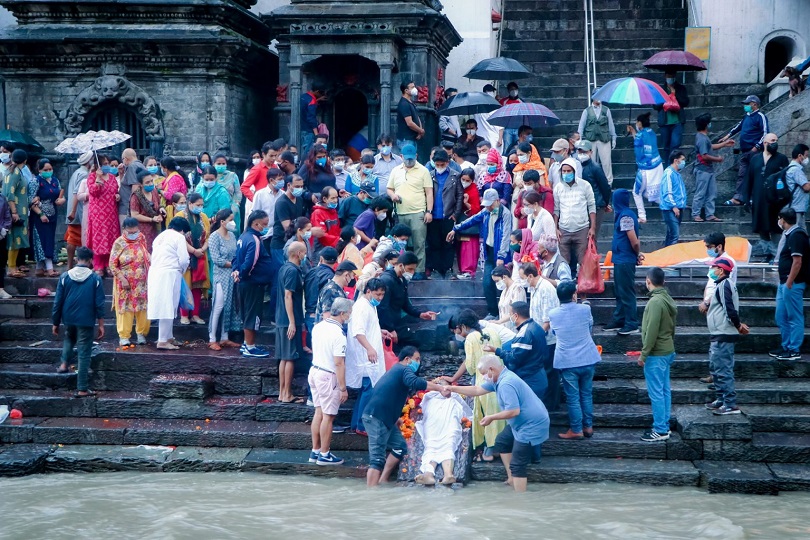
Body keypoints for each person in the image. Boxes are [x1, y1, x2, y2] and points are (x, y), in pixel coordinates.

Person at [447, 354, 550, 493]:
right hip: (521, 422)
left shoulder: (506, 383)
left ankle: (521, 500)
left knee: (518, 464)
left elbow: (514, 411)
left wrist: (491, 417)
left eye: (484, 374)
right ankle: (511, 478)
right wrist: (453, 389)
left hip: (531, 424)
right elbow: (477, 390)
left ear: (491, 369)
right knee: (502, 441)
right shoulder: (498, 377)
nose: (484, 377)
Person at [363, 346, 447, 487]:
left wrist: (396, 418)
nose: (418, 362)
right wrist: (439, 387)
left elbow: (387, 396)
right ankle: (371, 494)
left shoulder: (397, 372)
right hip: (376, 418)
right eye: (417, 359)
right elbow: (415, 382)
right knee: (377, 459)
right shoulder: (403, 369)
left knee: (399, 447)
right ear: (407, 359)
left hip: (386, 418)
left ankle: (383, 479)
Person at [443, 311, 506, 460]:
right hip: (500, 379)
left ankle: (489, 450)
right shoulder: (492, 331)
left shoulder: (470, 338)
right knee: (499, 414)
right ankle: (500, 448)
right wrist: (454, 377)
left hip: (483, 383)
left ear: (463, 326)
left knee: (486, 416)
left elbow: (471, 367)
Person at [447, 188, 513, 317]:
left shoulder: (505, 214)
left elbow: (506, 235)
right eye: (486, 205)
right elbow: (471, 220)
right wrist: (455, 228)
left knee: (505, 285)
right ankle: (493, 312)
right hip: (489, 252)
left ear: (497, 201)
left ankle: (508, 313)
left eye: (490, 204)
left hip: (501, 254)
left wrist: (501, 255)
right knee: (487, 283)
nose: (488, 207)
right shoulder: (485, 212)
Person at [549, 280, 601, 439]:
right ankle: (588, 427)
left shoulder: (553, 314)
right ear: (574, 295)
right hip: (587, 357)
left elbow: (555, 333)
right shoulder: (585, 309)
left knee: (573, 397)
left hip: (568, 361)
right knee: (586, 394)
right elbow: (590, 327)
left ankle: (576, 429)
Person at [52, 246, 105, 397]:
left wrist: (55, 322)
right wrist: (101, 324)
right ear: (90, 262)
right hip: (86, 319)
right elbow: (99, 303)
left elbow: (58, 302)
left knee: (69, 337)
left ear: (76, 259)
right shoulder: (95, 278)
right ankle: (82, 388)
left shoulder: (65, 277)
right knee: (84, 352)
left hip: (68, 317)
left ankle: (63, 364)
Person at [308, 297, 353, 466]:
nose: (350, 316)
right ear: (342, 314)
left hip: (314, 371)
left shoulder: (318, 327)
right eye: (349, 313)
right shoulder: (338, 335)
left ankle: (315, 450)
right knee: (328, 416)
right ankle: (325, 454)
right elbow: (339, 363)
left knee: (318, 412)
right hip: (328, 376)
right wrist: (343, 388)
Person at [704, 258, 750, 416]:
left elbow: (730, 309)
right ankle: (721, 398)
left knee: (723, 370)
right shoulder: (722, 285)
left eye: (713, 267)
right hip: (718, 333)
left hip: (724, 333)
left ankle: (730, 403)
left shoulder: (725, 285)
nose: (711, 270)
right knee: (716, 368)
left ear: (721, 270)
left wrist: (738, 325)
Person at [638, 267, 677, 441]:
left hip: (656, 353)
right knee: (664, 390)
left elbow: (651, 330)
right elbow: (672, 327)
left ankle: (660, 429)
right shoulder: (667, 299)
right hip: (667, 349)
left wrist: (644, 354)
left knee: (656, 392)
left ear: (648, 281)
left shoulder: (655, 302)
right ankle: (664, 425)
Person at [346, 278, 389, 435]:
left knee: (366, 390)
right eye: (377, 294)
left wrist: (380, 332)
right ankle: (361, 426)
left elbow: (368, 327)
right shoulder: (362, 307)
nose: (380, 298)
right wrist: (370, 348)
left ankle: (356, 424)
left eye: (382, 295)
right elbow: (358, 332)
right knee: (368, 390)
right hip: (364, 357)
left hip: (369, 356)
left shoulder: (370, 306)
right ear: (368, 291)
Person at [486, 299, 549, 399]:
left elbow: (513, 359)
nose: (509, 317)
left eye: (510, 314)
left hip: (530, 380)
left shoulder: (524, 333)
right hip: (538, 375)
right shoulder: (536, 327)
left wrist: (496, 350)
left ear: (515, 316)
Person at [387, 144, 433, 279]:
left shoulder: (423, 170)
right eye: (406, 158)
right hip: (400, 213)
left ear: (416, 156)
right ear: (401, 157)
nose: (409, 161)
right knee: (402, 244)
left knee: (419, 243)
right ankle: (402, 270)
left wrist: (428, 211)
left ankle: (419, 271)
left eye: (411, 158)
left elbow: (429, 192)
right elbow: (389, 188)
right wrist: (392, 196)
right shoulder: (395, 171)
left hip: (418, 212)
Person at [698, 232, 738, 384]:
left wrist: (707, 302)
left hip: (720, 307)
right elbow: (710, 283)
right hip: (712, 307)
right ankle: (714, 373)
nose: (707, 249)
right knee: (715, 343)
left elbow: (722, 287)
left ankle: (720, 378)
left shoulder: (728, 262)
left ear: (719, 246)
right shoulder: (714, 261)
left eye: (710, 247)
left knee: (721, 345)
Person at [234, 210, 273, 358]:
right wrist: (242, 274)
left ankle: (246, 343)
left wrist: (236, 271)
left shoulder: (243, 237)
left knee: (247, 313)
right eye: (264, 224)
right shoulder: (254, 240)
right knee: (253, 314)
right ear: (255, 223)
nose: (265, 227)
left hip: (245, 282)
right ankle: (250, 346)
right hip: (253, 283)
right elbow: (250, 262)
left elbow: (236, 259)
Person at [147, 217, 190, 350]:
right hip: (170, 273)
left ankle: (168, 337)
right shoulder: (179, 237)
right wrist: (182, 270)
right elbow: (183, 259)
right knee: (167, 306)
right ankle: (162, 340)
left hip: (155, 272)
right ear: (182, 230)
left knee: (166, 305)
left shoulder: (160, 236)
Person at [772, 208, 809, 361]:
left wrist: (789, 281)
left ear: (783, 219)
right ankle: (786, 345)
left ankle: (794, 349)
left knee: (794, 316)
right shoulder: (789, 235)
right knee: (781, 316)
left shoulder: (797, 235)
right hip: (784, 282)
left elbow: (797, 261)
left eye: (779, 219)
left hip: (792, 283)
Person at [377, 251, 438, 343]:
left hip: (397, 322)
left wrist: (420, 314)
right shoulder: (387, 280)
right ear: (401, 265)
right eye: (410, 269)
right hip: (387, 326)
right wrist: (390, 329)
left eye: (414, 270)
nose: (412, 273)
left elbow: (405, 303)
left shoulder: (402, 280)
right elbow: (382, 307)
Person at [720, 95, 769, 207]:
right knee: (742, 175)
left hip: (755, 152)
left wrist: (756, 146)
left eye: (748, 104)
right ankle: (738, 198)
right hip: (745, 151)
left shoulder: (760, 116)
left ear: (754, 104)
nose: (746, 106)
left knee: (756, 175)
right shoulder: (746, 116)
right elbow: (737, 127)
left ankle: (753, 198)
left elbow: (765, 133)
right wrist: (727, 136)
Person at [606, 189, 643, 335]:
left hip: (625, 259)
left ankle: (631, 323)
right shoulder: (623, 215)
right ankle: (619, 319)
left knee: (626, 292)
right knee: (620, 291)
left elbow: (634, 241)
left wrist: (637, 253)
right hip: (620, 258)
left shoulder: (625, 216)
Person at [110, 217, 150, 347]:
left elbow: (145, 255)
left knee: (142, 307)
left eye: (135, 231)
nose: (133, 234)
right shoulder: (119, 243)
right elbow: (112, 264)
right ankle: (124, 336)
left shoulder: (141, 238)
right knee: (125, 309)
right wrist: (122, 278)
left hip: (141, 281)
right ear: (124, 230)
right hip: (125, 282)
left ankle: (141, 333)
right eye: (130, 232)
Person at [553, 157, 596, 278]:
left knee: (583, 262)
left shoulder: (585, 185)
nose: (566, 174)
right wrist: (555, 228)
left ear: (575, 171)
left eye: (569, 171)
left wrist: (592, 228)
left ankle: (583, 293)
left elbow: (592, 207)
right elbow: (556, 209)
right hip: (564, 229)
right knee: (564, 263)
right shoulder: (558, 188)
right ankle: (567, 290)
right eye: (564, 171)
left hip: (582, 229)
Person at [269, 174, 306, 318]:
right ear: (288, 185)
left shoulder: (300, 200)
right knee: (279, 279)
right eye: (296, 186)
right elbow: (287, 226)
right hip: (280, 244)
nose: (299, 189)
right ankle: (274, 314)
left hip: (292, 245)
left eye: (301, 186)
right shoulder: (282, 202)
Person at [748, 133, 788, 260]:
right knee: (761, 227)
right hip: (759, 199)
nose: (774, 142)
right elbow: (749, 179)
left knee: (776, 227)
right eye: (772, 140)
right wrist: (746, 198)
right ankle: (768, 253)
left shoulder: (781, 158)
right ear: (765, 143)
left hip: (775, 201)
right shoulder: (755, 159)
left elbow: (786, 179)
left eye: (776, 140)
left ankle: (778, 254)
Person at [276, 241, 307, 404]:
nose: (305, 255)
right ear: (297, 254)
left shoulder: (283, 268)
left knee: (284, 358)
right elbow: (288, 295)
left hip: (282, 318)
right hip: (288, 319)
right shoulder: (293, 271)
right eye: (304, 252)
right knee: (289, 358)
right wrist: (292, 322)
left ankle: (283, 393)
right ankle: (286, 394)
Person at [426, 149, 463, 279]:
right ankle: (436, 270)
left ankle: (448, 269)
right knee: (434, 243)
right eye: (437, 165)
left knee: (449, 244)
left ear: (447, 162)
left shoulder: (455, 175)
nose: (440, 167)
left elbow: (459, 196)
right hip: (433, 216)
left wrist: (456, 214)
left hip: (448, 215)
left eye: (442, 164)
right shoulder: (429, 175)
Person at [207, 209, 241, 351]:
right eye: (230, 219)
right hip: (221, 275)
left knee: (229, 305)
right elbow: (216, 259)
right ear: (222, 222)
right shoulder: (214, 237)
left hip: (232, 275)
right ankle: (212, 338)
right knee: (219, 305)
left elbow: (236, 254)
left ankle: (224, 337)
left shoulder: (232, 236)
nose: (233, 222)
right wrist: (233, 265)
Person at [176, 192, 210, 326]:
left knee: (198, 286)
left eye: (202, 205)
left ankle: (195, 314)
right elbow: (178, 238)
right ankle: (184, 314)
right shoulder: (180, 216)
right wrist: (193, 251)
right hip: (186, 255)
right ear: (190, 204)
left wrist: (202, 249)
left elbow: (207, 236)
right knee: (185, 285)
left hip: (201, 255)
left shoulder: (204, 217)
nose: (200, 207)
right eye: (197, 205)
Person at [693, 113, 734, 222]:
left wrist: (724, 144)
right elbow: (704, 156)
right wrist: (718, 159)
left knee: (712, 193)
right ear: (706, 125)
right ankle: (696, 214)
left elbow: (710, 147)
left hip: (708, 170)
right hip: (702, 170)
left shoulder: (703, 137)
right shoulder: (701, 139)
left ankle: (710, 214)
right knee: (700, 193)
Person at [87, 154, 121, 277]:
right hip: (98, 213)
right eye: (104, 164)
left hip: (111, 212)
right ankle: (98, 265)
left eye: (108, 163)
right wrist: (98, 180)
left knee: (111, 237)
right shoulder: (92, 177)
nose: (107, 166)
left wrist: (117, 196)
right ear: (98, 166)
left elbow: (115, 191)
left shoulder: (112, 177)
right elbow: (93, 192)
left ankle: (109, 264)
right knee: (99, 238)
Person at [575, 140, 612, 251]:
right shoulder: (576, 166)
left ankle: (592, 262)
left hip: (596, 204)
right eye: (580, 151)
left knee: (592, 235)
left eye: (584, 152)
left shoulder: (595, 168)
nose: (582, 154)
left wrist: (605, 203)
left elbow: (605, 187)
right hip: (581, 205)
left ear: (590, 152)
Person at [30, 158, 65, 276]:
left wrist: (61, 200)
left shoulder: (55, 181)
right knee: (42, 241)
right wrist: (40, 214)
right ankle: (50, 268)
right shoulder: (36, 181)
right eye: (45, 169)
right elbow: (31, 200)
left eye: (50, 169)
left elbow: (60, 194)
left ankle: (39, 268)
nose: (49, 171)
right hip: (40, 216)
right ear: (39, 170)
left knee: (50, 240)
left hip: (53, 214)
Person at [628, 113, 663, 223]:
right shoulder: (651, 132)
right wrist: (634, 132)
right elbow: (642, 142)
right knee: (652, 193)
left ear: (639, 123)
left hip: (646, 168)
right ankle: (670, 205)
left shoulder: (640, 136)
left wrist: (634, 133)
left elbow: (640, 147)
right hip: (657, 165)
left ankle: (642, 216)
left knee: (637, 192)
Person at [578, 93, 617, 185]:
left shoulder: (606, 110)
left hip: (604, 139)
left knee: (606, 162)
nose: (599, 99)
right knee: (591, 162)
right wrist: (579, 139)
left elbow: (611, 125)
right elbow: (581, 126)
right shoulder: (587, 111)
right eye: (597, 96)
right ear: (593, 97)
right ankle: (592, 181)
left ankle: (609, 182)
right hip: (590, 140)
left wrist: (614, 137)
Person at [2, 149, 30, 278]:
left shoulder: (15, 171)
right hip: (17, 211)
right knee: (14, 239)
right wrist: (14, 212)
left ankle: (13, 266)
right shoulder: (14, 173)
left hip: (21, 210)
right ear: (25, 160)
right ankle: (11, 268)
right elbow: (9, 194)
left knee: (18, 239)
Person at [653, 71, 690, 166]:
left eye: (672, 76)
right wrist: (666, 99)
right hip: (665, 123)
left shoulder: (680, 88)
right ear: (665, 76)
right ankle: (667, 166)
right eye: (669, 75)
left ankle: (674, 166)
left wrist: (675, 95)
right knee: (666, 147)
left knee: (675, 145)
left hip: (677, 121)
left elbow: (685, 102)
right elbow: (655, 105)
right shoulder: (660, 89)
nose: (670, 78)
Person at [65, 152, 93, 269]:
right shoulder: (83, 174)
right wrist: (73, 211)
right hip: (79, 211)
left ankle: (71, 264)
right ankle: (71, 264)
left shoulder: (77, 172)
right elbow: (77, 194)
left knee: (73, 238)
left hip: (75, 210)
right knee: (74, 238)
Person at [129, 169, 165, 251]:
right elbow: (134, 215)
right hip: (143, 229)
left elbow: (158, 205)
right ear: (141, 184)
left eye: (151, 181)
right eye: (147, 182)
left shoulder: (154, 191)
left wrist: (161, 209)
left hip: (155, 228)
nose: (151, 184)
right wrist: (151, 219)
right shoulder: (136, 196)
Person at [456, 168, 481, 279]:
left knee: (469, 249)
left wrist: (466, 203)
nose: (465, 182)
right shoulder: (458, 187)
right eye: (463, 179)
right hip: (460, 222)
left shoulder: (474, 190)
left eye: (467, 180)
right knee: (461, 249)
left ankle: (469, 271)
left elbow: (476, 210)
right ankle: (462, 270)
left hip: (470, 224)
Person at [659, 150, 687, 247]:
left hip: (678, 208)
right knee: (674, 235)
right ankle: (670, 257)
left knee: (671, 234)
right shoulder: (668, 173)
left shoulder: (676, 174)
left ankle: (666, 255)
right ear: (676, 161)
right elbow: (667, 192)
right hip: (670, 209)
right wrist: (673, 206)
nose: (684, 162)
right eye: (682, 159)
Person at [310, 186, 341, 260]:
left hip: (332, 249)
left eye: (336, 197)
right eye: (332, 198)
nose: (335, 200)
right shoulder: (317, 213)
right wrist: (338, 241)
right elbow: (321, 235)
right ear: (324, 199)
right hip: (320, 251)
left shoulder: (333, 211)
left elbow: (337, 229)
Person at [491, 265, 526, 330]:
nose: (496, 283)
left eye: (497, 281)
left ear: (504, 277)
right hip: (505, 329)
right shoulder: (504, 291)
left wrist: (499, 321)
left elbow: (516, 311)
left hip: (515, 329)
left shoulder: (517, 288)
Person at [785, 144, 810, 228]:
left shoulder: (791, 168)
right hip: (796, 208)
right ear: (800, 155)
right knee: (794, 232)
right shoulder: (796, 170)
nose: (807, 159)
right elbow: (806, 187)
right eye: (806, 155)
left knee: (798, 232)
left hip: (796, 207)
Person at [119, 149, 145, 227]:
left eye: (122, 159)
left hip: (127, 208)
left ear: (126, 159)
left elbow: (135, 187)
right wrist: (122, 174)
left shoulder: (132, 166)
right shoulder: (141, 165)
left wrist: (133, 206)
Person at [476, 84, 504, 154]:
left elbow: (501, 126)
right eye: (490, 91)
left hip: (494, 137)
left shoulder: (496, 107)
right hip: (482, 137)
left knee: (495, 156)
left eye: (492, 91)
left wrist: (500, 139)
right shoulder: (478, 108)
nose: (491, 93)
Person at [397, 81, 425, 149]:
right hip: (406, 139)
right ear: (406, 90)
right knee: (407, 158)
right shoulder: (404, 104)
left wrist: (420, 130)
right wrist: (421, 131)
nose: (415, 89)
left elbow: (416, 116)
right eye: (412, 87)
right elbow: (409, 123)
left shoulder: (410, 102)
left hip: (412, 138)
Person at [300, 85, 324, 156]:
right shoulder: (312, 101)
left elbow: (306, 107)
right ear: (317, 91)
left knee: (305, 151)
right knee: (309, 154)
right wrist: (317, 134)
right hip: (309, 131)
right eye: (321, 93)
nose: (321, 95)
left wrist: (318, 100)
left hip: (303, 128)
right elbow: (311, 118)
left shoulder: (303, 96)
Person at [0, 189, 10, 298]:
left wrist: (5, 229)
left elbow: (7, 215)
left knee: (1, 262)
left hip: (2, 235)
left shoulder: (2, 197)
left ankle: (1, 289)